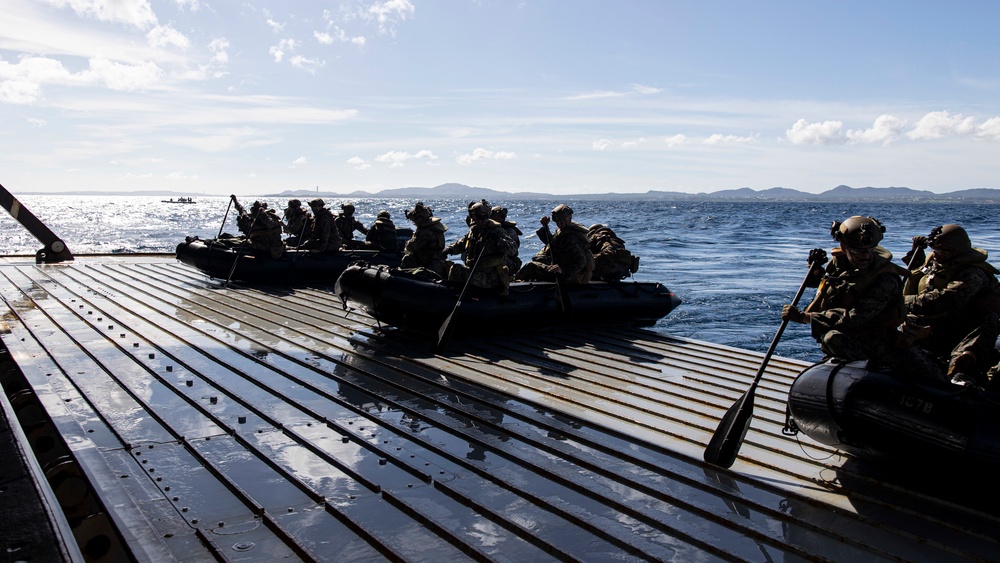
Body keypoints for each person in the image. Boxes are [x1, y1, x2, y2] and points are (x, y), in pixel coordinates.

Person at [780, 215, 910, 364]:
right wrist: (814, 270)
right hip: (852, 335)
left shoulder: (886, 279)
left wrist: (805, 317)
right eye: (857, 251)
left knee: (833, 338)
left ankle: (874, 369)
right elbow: (829, 285)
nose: (865, 256)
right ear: (844, 247)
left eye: (870, 250)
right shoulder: (841, 264)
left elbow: (855, 318)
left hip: (879, 341)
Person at [900, 224, 1000, 386]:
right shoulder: (939, 263)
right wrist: (916, 255)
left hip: (961, 331)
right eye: (935, 251)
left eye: (940, 252)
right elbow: (922, 279)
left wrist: (902, 302)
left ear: (955, 252)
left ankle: (961, 368)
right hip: (933, 328)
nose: (935, 256)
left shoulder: (973, 274)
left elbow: (942, 301)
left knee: (989, 319)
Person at [446, 202, 517, 295]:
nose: (481, 221)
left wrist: (498, 240)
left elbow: (513, 249)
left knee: (458, 270)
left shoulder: (496, 231)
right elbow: (461, 244)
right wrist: (449, 249)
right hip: (476, 271)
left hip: (491, 277)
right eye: (477, 217)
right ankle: (453, 294)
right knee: (455, 268)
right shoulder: (474, 231)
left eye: (484, 217)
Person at [514, 204, 594, 284]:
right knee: (539, 259)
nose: (560, 224)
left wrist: (562, 270)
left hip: (569, 275)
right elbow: (553, 244)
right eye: (558, 222)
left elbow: (581, 262)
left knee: (530, 266)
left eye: (562, 221)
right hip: (562, 268)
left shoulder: (571, 237)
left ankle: (514, 285)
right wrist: (545, 227)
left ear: (570, 217)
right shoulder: (564, 231)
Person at [401, 201, 449, 277]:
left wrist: (407, 243)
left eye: (414, 220)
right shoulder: (435, 227)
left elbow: (411, 247)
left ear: (419, 219)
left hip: (429, 265)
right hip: (440, 262)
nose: (414, 222)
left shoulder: (424, 231)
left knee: (407, 258)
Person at [492, 206, 523, 274]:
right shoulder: (489, 229)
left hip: (509, 263)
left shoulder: (509, 231)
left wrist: (497, 240)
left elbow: (511, 251)